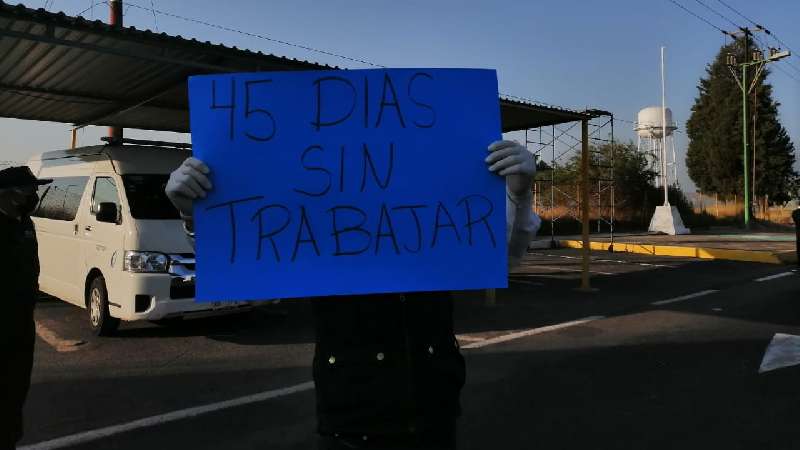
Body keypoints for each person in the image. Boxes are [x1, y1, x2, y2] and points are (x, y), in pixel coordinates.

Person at [166, 140, 539, 449]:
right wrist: (194, 216)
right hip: (349, 424)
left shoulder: (435, 235)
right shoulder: (322, 237)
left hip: (435, 417)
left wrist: (518, 195)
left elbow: (503, 259)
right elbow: (238, 267)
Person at [0, 166, 51, 450]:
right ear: (6, 195)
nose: (34, 196)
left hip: (21, 322)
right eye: (27, 191)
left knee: (16, 388)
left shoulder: (24, 223)